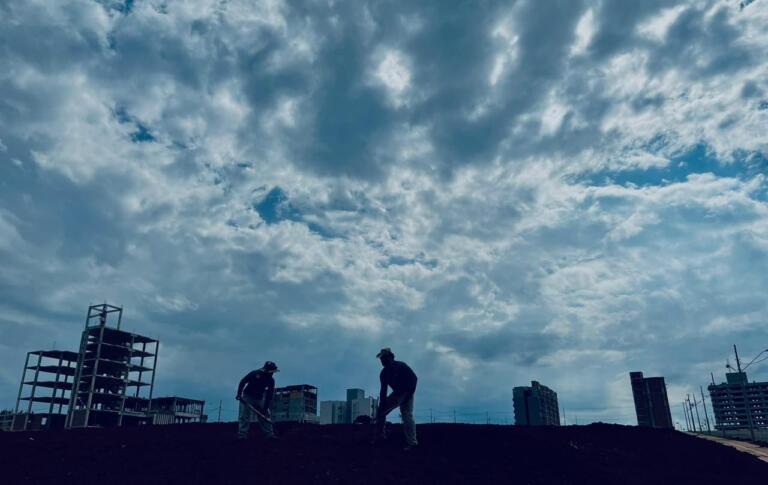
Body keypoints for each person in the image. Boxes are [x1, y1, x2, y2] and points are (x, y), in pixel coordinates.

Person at [372, 348, 418, 450]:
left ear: (391, 358)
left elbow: (414, 379)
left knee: (406, 414)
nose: (382, 361)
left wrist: (409, 394)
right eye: (381, 359)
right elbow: (383, 390)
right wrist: (382, 405)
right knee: (380, 411)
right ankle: (380, 437)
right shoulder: (384, 373)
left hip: (407, 391)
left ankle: (412, 443)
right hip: (396, 393)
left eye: (384, 358)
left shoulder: (401, 366)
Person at [236, 361, 279, 440]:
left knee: (266, 415)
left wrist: (265, 408)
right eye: (271, 372)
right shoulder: (254, 373)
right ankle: (242, 435)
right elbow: (243, 381)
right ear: (266, 370)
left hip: (259, 398)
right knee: (244, 415)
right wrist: (239, 394)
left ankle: (269, 434)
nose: (272, 373)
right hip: (247, 396)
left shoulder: (271, 380)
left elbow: (269, 395)